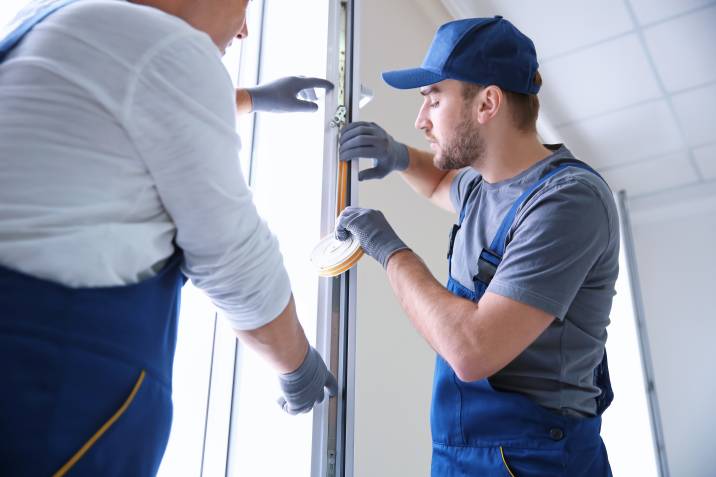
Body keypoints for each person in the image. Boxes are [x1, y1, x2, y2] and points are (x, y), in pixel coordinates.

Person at [0, 0, 335, 474]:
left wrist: (251, 98)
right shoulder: (160, 47)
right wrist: (298, 365)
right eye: (245, 6)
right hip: (47, 407)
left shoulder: (55, 23)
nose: (243, 31)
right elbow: (239, 270)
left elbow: (129, 97)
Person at [337, 16, 618, 476]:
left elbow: (472, 351)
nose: (419, 119)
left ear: (488, 103)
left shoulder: (567, 201)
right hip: (462, 454)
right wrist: (399, 155)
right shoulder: (483, 186)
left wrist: (388, 249)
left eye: (434, 98)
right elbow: (442, 181)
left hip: (536, 461)